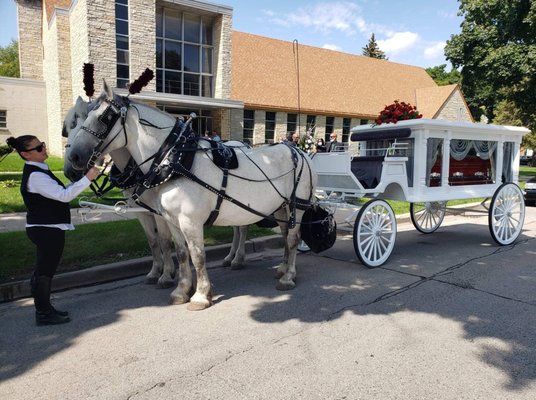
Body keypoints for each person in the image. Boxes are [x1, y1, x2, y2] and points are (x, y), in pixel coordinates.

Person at [6, 135, 100, 326]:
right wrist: (88, 179)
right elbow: (63, 196)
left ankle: (45, 309)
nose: (44, 148)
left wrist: (81, 180)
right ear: (26, 154)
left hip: (46, 228)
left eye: (43, 145)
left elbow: (58, 191)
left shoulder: (39, 170)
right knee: (44, 272)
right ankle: (43, 313)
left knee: (44, 270)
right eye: (38, 148)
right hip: (45, 229)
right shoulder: (36, 175)